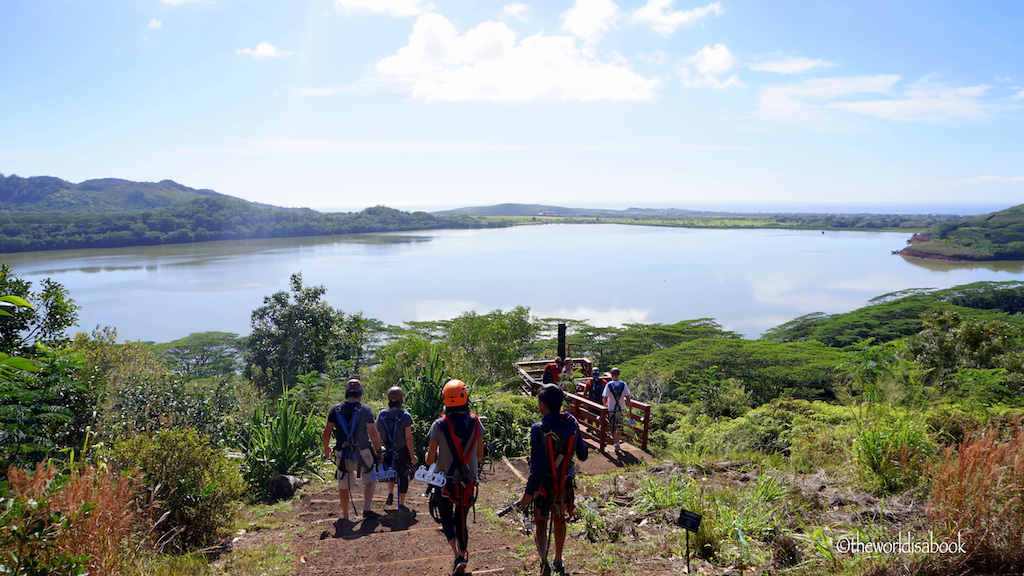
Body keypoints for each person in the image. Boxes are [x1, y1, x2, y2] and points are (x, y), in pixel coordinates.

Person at [518, 384, 588, 576]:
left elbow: (538, 467)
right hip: (564, 482)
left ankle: (543, 559)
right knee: (559, 519)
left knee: (540, 522)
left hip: (544, 484)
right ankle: (558, 559)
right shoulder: (573, 423)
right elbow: (582, 455)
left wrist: (528, 493)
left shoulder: (538, 429)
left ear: (543, 405)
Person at [425, 379, 485, 575]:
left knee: (446, 518)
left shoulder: (439, 425)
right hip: (468, 481)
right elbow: (479, 455)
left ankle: (458, 554)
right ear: (465, 397)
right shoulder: (476, 421)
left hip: (444, 481)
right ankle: (463, 552)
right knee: (462, 518)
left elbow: (429, 459)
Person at [322, 379, 383, 521]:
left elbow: (327, 431)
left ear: (346, 392)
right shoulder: (365, 410)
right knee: (369, 480)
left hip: (343, 453)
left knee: (344, 484)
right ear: (360, 393)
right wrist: (378, 451)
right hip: (363, 451)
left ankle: (345, 515)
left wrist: (326, 447)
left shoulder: (335, 410)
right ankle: (367, 509)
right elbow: (373, 433)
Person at [376, 386, 418, 513]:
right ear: (401, 400)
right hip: (401, 450)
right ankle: (402, 502)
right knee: (403, 476)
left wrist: (378, 452)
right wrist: (412, 455)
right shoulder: (405, 416)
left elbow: (377, 435)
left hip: (387, 450)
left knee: (390, 472)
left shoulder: (382, 415)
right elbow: (408, 438)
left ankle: (390, 493)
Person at [602, 368, 631, 454]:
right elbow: (628, 398)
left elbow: (605, 398)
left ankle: (617, 444)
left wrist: (605, 404)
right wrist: (629, 409)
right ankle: (617, 442)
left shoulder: (609, 385)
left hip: (611, 409)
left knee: (612, 428)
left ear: (611, 375)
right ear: (619, 374)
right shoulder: (623, 384)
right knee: (619, 427)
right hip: (621, 409)